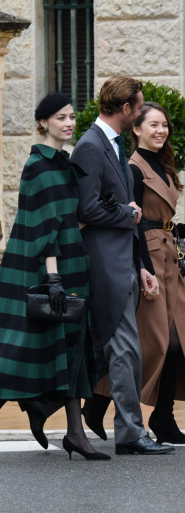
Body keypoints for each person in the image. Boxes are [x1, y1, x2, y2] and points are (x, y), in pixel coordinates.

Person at [0, 92, 109, 461]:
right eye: (61, 117)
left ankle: (73, 432)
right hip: (48, 269)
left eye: (72, 117)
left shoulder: (63, 163)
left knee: (71, 350)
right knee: (26, 349)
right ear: (43, 122)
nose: (68, 122)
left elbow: (67, 218)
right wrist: (53, 278)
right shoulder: (37, 166)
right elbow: (43, 228)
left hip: (72, 264)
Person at [72, 77, 173, 455]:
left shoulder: (111, 145)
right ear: (127, 109)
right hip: (104, 266)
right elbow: (86, 208)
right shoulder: (90, 146)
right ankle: (130, 433)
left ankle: (115, 426)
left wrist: (141, 266)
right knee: (125, 351)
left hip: (124, 262)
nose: (142, 112)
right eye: (139, 106)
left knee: (115, 352)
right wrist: (125, 213)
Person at [129, 102, 185, 443]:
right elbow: (133, 223)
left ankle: (163, 417)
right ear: (136, 129)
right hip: (149, 257)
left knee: (176, 343)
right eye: (153, 125)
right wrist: (142, 267)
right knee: (155, 344)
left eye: (164, 125)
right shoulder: (133, 169)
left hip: (170, 256)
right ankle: (99, 399)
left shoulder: (165, 164)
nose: (161, 130)